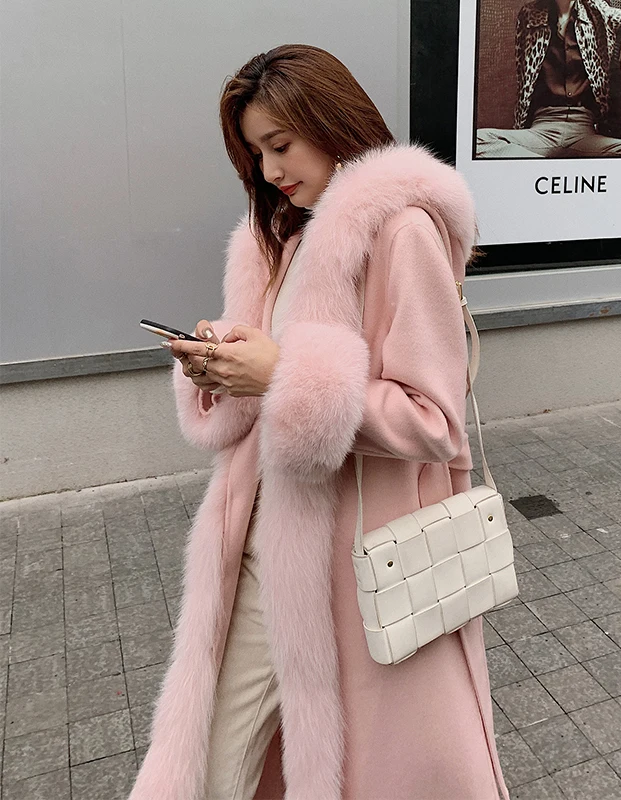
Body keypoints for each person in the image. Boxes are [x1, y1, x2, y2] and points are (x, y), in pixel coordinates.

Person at [129, 44, 509, 800]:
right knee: (211, 764)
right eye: (255, 153)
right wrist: (225, 365)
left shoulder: (401, 232)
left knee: (317, 768)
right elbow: (266, 386)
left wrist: (283, 377)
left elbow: (435, 420)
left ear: (329, 120)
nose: (270, 169)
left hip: (355, 560)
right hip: (258, 548)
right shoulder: (281, 238)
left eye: (280, 144)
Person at [476, 0, 621, 158]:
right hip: (543, 128)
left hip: (584, 130)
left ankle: (540, 165)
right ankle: (548, 166)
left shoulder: (596, 11)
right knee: (477, 141)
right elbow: (523, 75)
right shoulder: (530, 14)